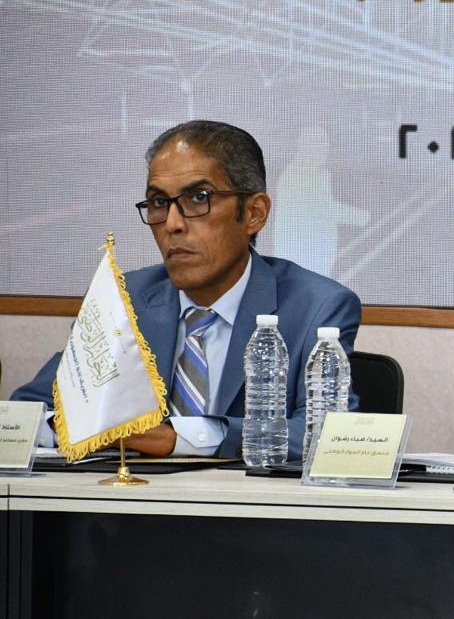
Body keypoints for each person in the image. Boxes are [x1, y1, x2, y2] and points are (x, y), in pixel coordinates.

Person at [10, 120, 362, 460]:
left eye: (198, 198)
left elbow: (328, 433)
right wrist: (83, 427)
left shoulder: (316, 306)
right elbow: (26, 414)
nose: (173, 224)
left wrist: (179, 437)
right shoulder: (124, 298)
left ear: (254, 213)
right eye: (159, 203)